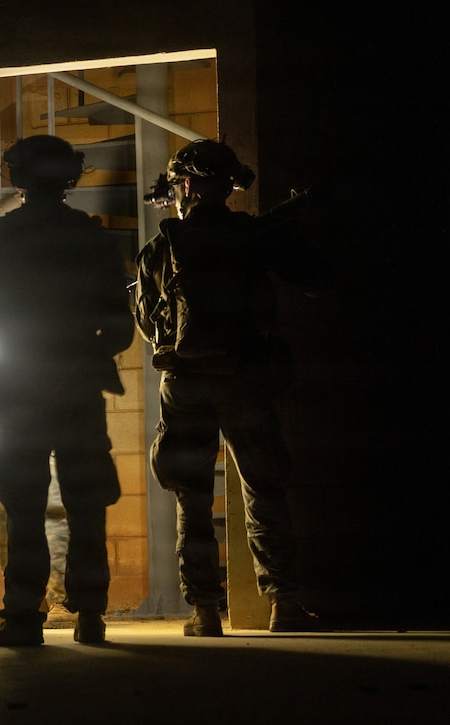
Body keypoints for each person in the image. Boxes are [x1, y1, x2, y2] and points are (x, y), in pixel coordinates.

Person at [134, 139, 333, 636]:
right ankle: (283, 606)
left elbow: (147, 323)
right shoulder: (254, 236)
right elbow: (318, 279)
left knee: (192, 497)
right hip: (245, 378)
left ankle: (204, 612)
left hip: (185, 385)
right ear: (225, 186)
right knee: (263, 488)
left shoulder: (162, 246)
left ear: (187, 184)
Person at [0, 135, 134, 646]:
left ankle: (22, 619)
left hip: (19, 389)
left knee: (24, 505)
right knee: (86, 503)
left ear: (16, 176)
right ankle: (91, 617)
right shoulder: (95, 240)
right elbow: (121, 327)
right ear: (70, 175)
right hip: (79, 388)